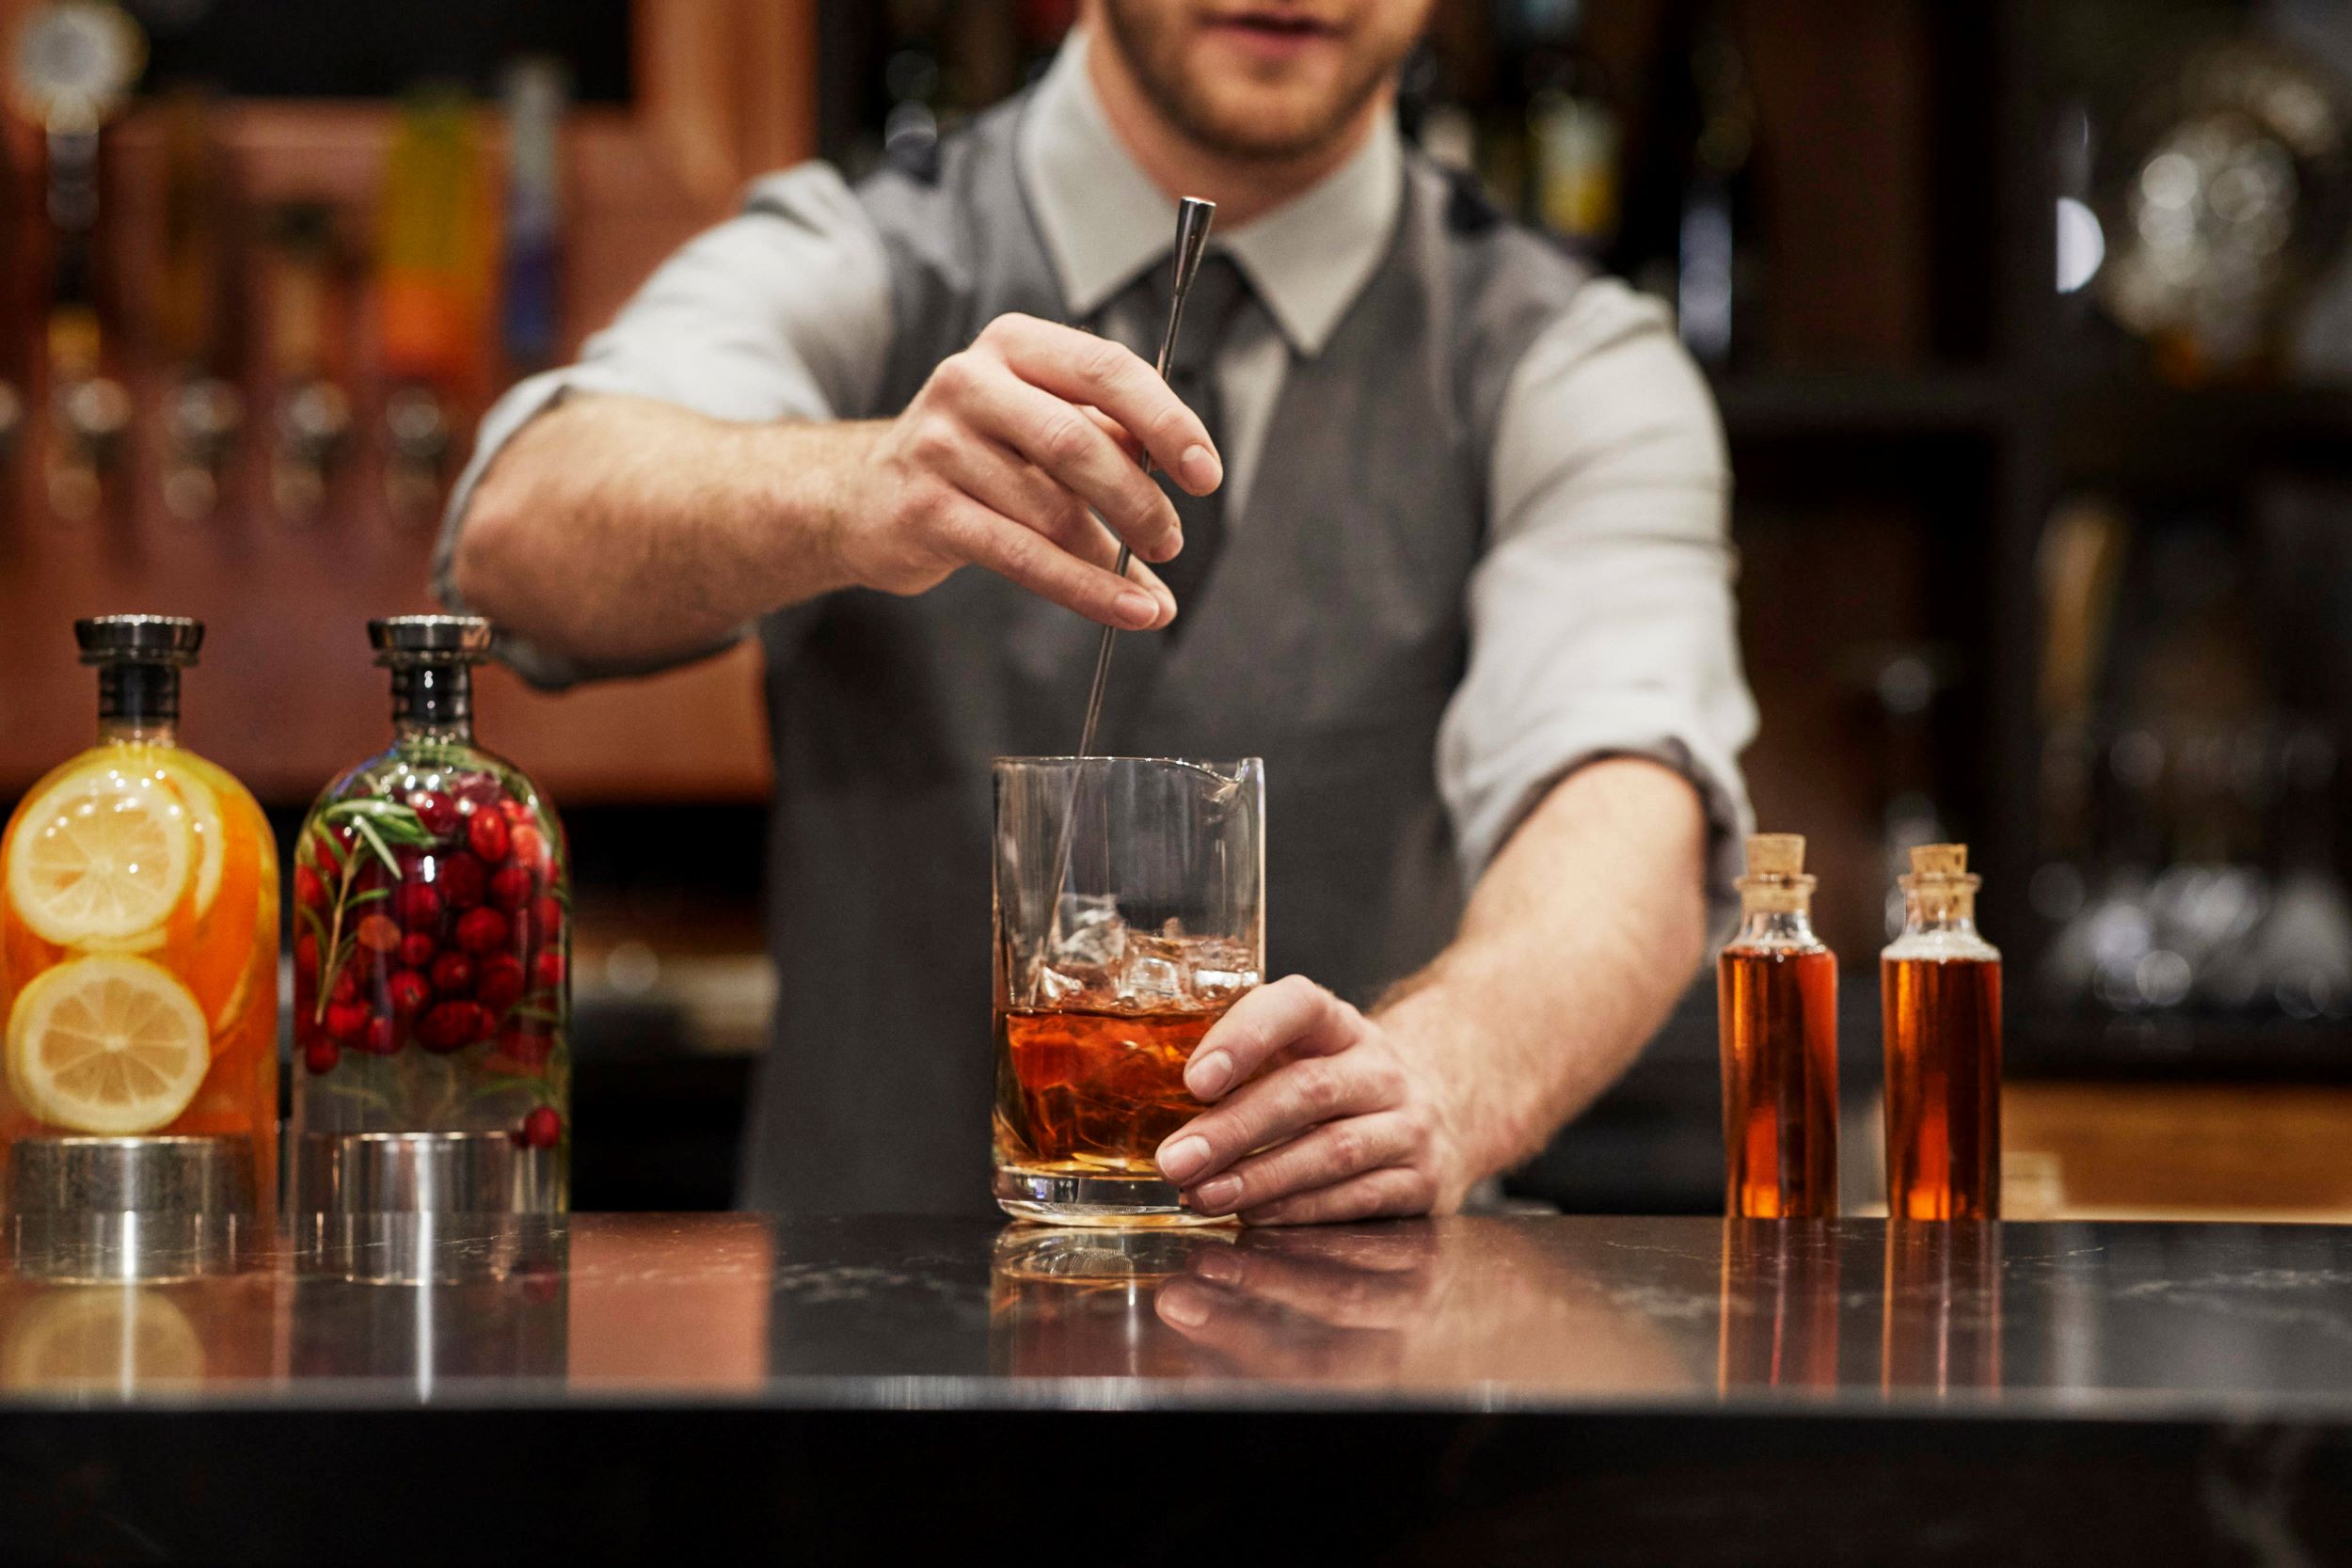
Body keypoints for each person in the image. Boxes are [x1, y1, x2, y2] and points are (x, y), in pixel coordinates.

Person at [440, 0, 1756, 1224]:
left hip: (1358, 1407)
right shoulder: (859, 252)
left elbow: (1627, 783)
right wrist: (849, 484)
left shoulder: (1570, 356)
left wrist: (1448, 1076)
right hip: (868, 1402)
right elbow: (518, 528)